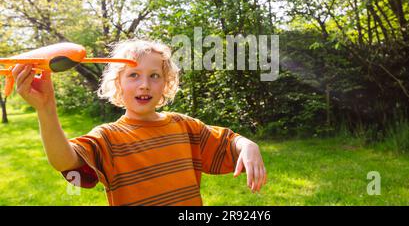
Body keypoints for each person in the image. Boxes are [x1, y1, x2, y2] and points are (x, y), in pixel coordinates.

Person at [12, 39, 267, 206]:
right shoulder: (108, 137)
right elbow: (64, 160)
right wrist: (46, 109)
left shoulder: (185, 127)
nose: (144, 84)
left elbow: (228, 142)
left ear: (166, 83)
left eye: (154, 76)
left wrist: (247, 145)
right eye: (134, 75)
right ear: (118, 83)